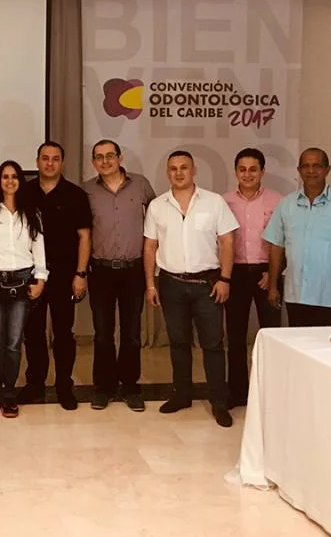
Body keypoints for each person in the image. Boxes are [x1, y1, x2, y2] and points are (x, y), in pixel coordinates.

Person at [143, 150, 239, 428]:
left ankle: (218, 401)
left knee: (213, 344)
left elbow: (228, 241)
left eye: (184, 167)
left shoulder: (214, 202)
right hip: (171, 283)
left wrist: (225, 279)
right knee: (178, 342)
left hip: (207, 284)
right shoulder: (157, 206)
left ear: (194, 170)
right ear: (167, 172)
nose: (179, 173)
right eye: (173, 168)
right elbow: (150, 246)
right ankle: (182, 395)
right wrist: (150, 284)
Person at [83, 139, 155, 412]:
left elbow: (158, 221)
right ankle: (104, 388)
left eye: (110, 155)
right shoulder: (87, 190)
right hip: (100, 270)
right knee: (102, 333)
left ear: (120, 157)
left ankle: (130, 387)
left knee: (132, 333)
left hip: (133, 270)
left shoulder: (141, 185)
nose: (105, 161)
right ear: (93, 162)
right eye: (99, 157)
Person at [0, 161, 48, 418]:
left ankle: (8, 394)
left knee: (14, 344)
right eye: (5, 177)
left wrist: (41, 280)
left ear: (20, 181)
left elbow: (39, 249)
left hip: (22, 283)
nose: (10, 181)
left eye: (14, 176)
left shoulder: (31, 212)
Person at [264, 147, 331, 327]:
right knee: (300, 343)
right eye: (305, 166)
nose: (311, 171)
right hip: (297, 295)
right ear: (299, 170)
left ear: (327, 170)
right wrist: (273, 286)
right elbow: (277, 246)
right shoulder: (286, 204)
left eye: (317, 166)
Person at [21, 141, 92, 410]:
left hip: (65, 274)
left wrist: (80, 274)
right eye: (45, 158)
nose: (49, 163)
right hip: (31, 275)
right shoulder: (25, 192)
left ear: (62, 163)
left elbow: (84, 237)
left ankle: (64, 385)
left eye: (55, 159)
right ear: (37, 161)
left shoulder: (75, 195)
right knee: (33, 332)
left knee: (63, 333)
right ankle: (35, 384)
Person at [222, 148, 283, 408]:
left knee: (270, 335)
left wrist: (274, 273)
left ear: (262, 171)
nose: (247, 175)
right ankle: (237, 392)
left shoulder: (278, 201)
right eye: (242, 169)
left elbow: (285, 241)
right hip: (234, 273)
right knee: (235, 336)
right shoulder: (223, 202)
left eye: (253, 169)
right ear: (236, 171)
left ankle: (269, 393)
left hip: (267, 273)